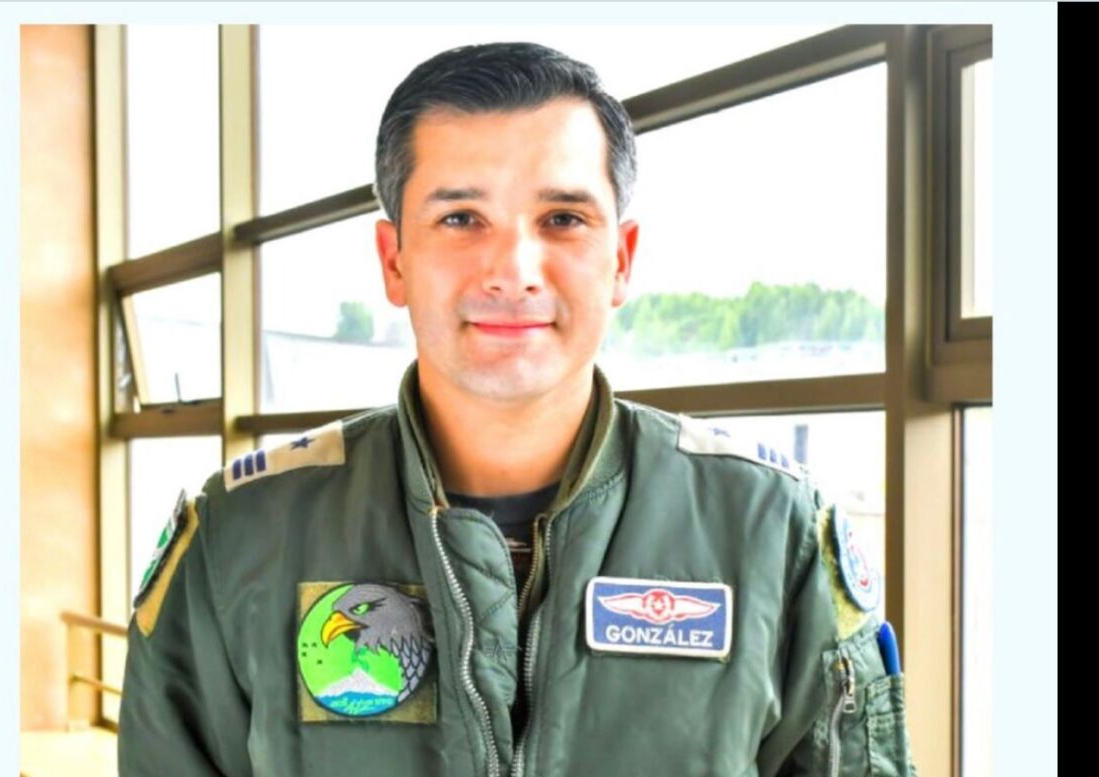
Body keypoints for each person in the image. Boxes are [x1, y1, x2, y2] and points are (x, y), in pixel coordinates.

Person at [118, 42, 917, 777]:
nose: (513, 269)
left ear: (621, 259)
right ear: (395, 260)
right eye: (460, 218)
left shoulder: (770, 533)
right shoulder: (242, 539)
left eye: (563, 219)